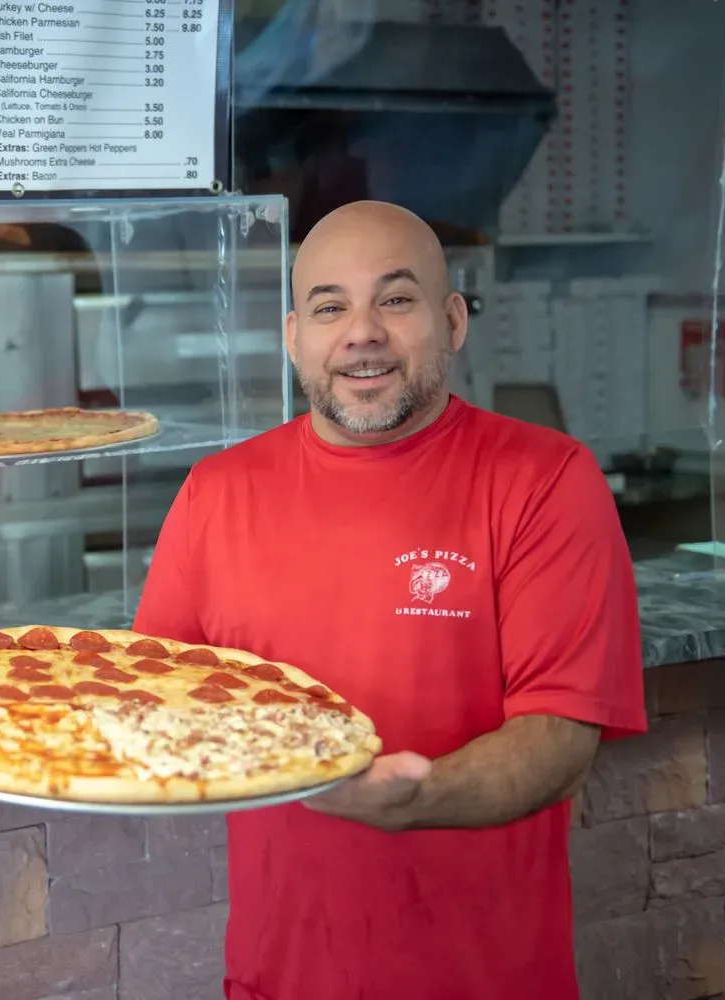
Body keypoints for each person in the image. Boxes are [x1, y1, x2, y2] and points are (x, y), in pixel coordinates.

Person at [132, 201, 646, 1000]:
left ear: (453, 322)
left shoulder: (546, 481)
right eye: (330, 307)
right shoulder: (215, 493)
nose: (362, 332)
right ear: (294, 336)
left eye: (396, 300)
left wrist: (418, 798)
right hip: (278, 977)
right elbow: (155, 698)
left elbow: (559, 736)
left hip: (486, 981)